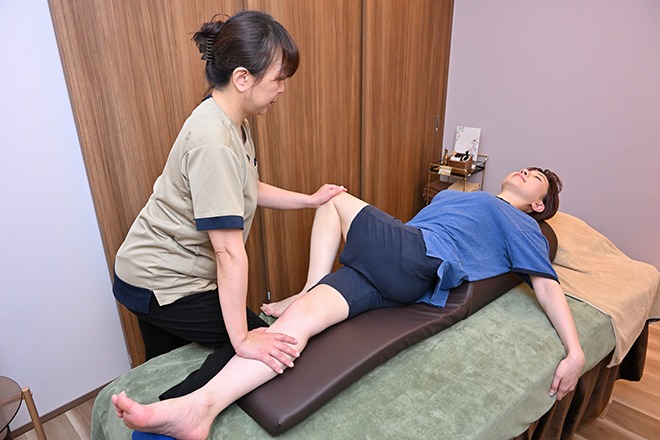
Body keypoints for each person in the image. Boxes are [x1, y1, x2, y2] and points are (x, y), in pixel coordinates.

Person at [112, 167, 586, 440]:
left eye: (537, 178)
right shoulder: (464, 195)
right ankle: (202, 407)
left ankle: (308, 287)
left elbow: (546, 284)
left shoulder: (522, 225)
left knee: (333, 198)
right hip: (395, 267)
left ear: (538, 205)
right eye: (527, 167)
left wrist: (575, 352)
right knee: (290, 329)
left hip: (419, 258)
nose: (526, 172)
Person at [112, 9, 347, 390]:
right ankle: (180, 413)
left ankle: (159, 407)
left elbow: (247, 187)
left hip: (157, 269)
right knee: (265, 346)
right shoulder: (213, 141)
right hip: (158, 278)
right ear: (242, 78)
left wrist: (309, 200)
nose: (282, 89)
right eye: (278, 79)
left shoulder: (232, 122)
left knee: (165, 367)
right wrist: (243, 339)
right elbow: (228, 252)